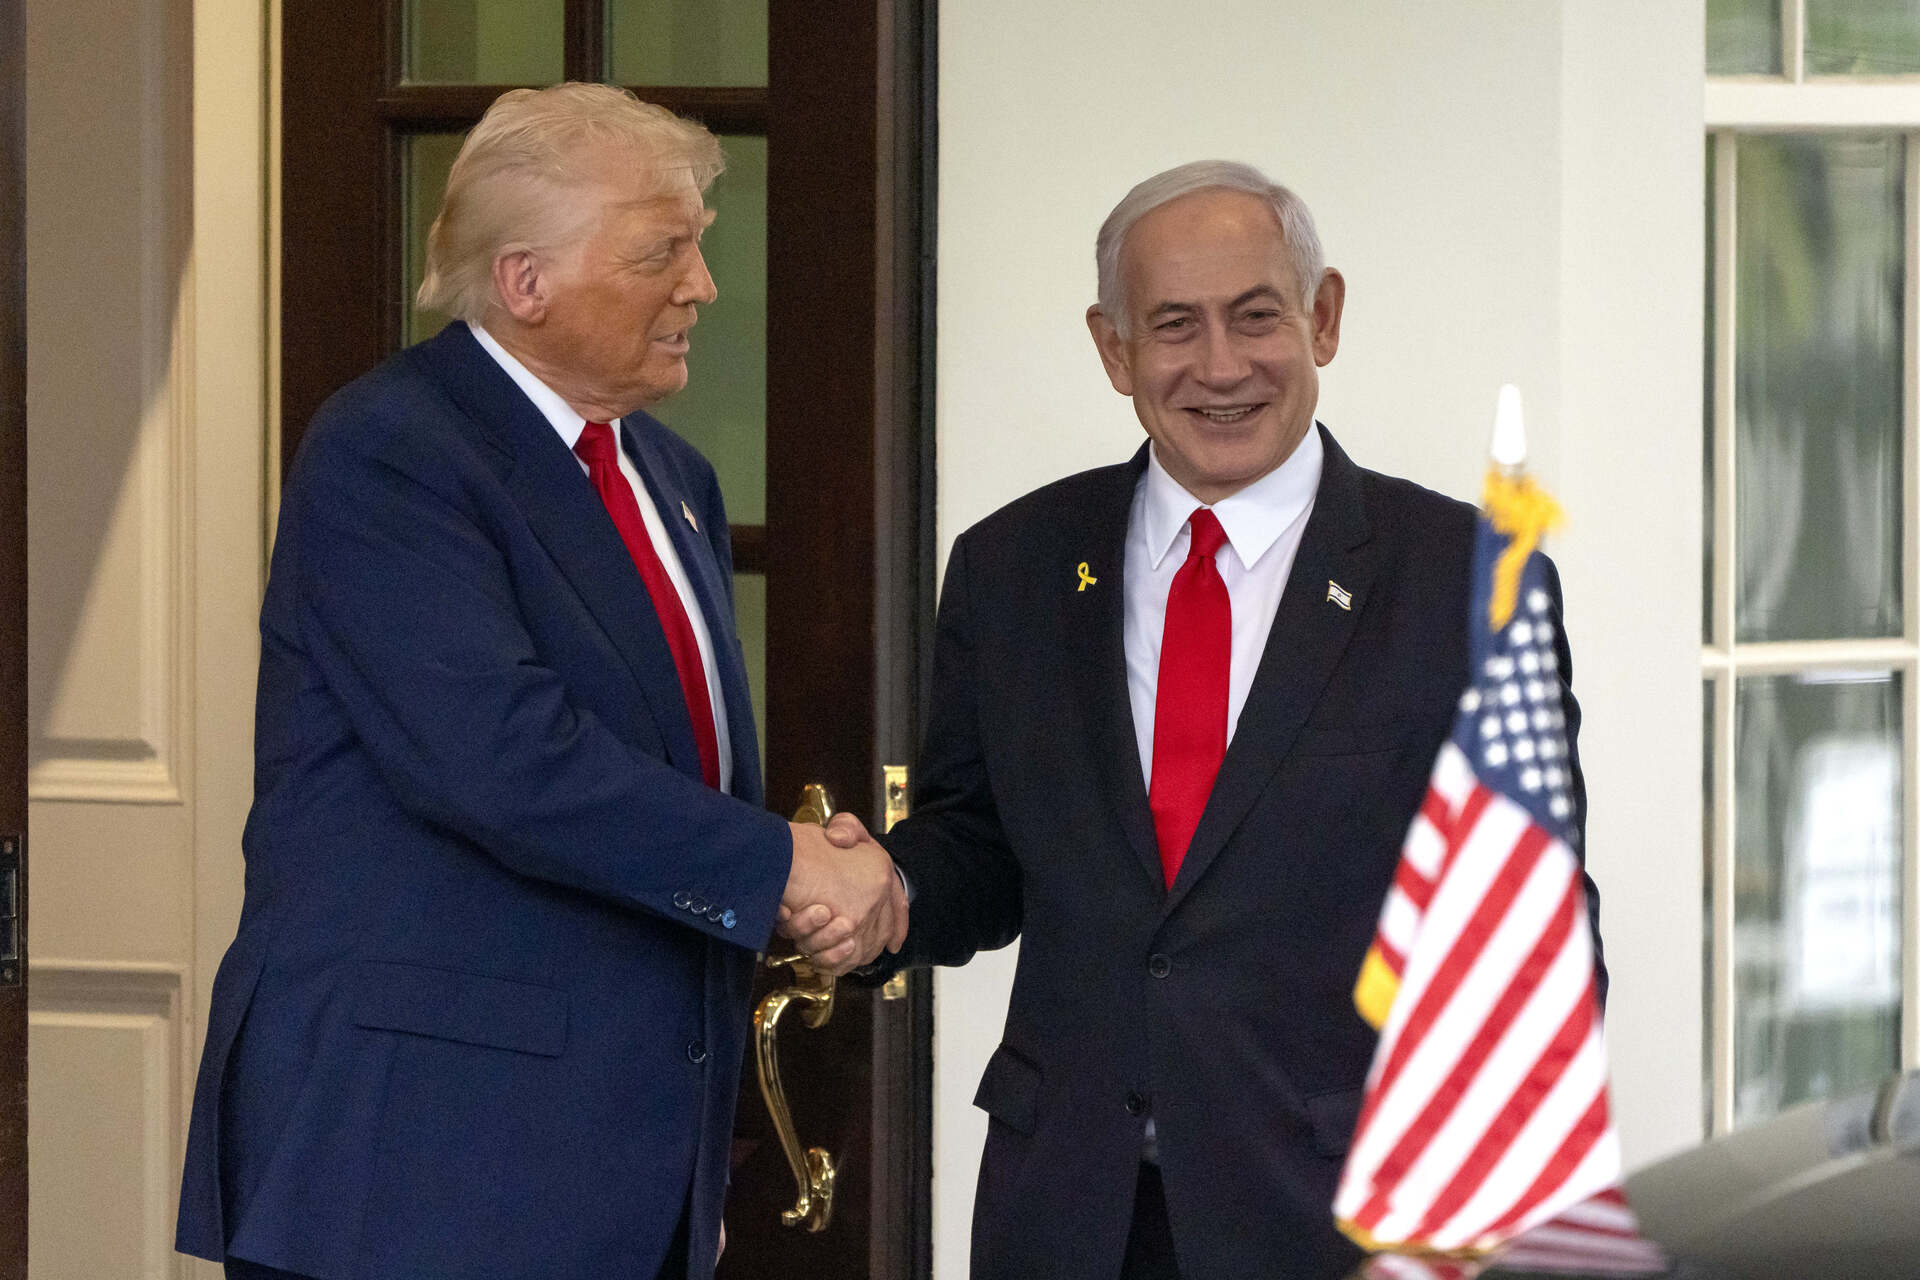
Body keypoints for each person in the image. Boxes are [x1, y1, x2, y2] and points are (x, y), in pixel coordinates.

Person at [790, 161, 1606, 1280]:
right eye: (1174, 326)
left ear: (1323, 319)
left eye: (1256, 316)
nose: (1221, 367)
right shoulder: (1011, 565)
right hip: (1068, 1210)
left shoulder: (1466, 582)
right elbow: (979, 839)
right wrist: (890, 893)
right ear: (1113, 348)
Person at [174, 83, 904, 1280]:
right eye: (662, 252)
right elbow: (503, 757)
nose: (702, 287)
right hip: (421, 1165)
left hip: (618, 1167)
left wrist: (801, 876)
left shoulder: (673, 478)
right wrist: (782, 868)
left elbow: (669, 775)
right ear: (525, 283)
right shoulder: (392, 450)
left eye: (699, 249)